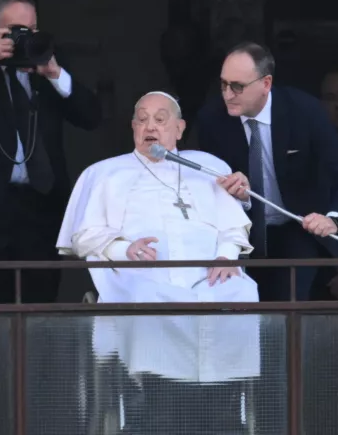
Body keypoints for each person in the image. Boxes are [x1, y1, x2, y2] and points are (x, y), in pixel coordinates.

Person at [56, 91, 260, 433]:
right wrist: (124, 248)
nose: (150, 126)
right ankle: (155, 410)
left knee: (241, 292)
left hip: (209, 278)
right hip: (142, 277)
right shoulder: (106, 173)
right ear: (133, 127)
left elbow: (233, 225)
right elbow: (84, 235)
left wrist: (227, 256)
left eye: (160, 119)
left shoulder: (208, 167)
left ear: (179, 128)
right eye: (142, 119)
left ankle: (224, 412)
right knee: (148, 299)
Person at [0, 0, 101, 304]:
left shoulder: (45, 67)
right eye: (16, 32)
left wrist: (54, 73)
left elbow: (91, 117)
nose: (25, 40)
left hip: (41, 208)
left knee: (40, 307)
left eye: (32, 30)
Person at [197, 42, 338, 302]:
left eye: (237, 86)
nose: (228, 94)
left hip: (298, 227)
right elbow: (205, 188)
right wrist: (236, 193)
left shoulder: (304, 110)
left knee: (290, 304)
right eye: (223, 84)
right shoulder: (212, 119)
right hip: (242, 231)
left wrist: (334, 220)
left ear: (266, 84)